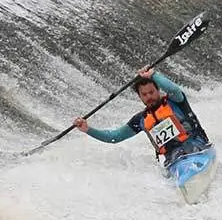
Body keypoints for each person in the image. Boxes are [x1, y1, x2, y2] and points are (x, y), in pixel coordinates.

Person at [73, 67, 210, 166]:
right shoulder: (141, 120)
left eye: (151, 92)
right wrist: (88, 129)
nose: (149, 97)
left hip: (198, 147)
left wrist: (153, 74)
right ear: (140, 97)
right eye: (144, 95)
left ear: (158, 90)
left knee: (189, 151)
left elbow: (173, 89)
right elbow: (113, 137)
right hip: (174, 161)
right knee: (175, 158)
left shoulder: (176, 101)